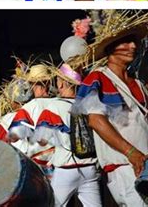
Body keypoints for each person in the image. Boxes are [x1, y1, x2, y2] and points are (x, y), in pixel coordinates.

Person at [72, 11, 148, 207]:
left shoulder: (139, 83)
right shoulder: (98, 78)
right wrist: (131, 153)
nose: (133, 46)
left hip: (146, 164)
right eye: (126, 42)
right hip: (123, 166)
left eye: (134, 42)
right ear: (110, 48)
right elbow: (95, 120)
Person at [34, 63, 102, 207]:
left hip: (67, 169)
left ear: (62, 84)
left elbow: (41, 138)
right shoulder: (90, 105)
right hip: (90, 168)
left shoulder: (54, 107)